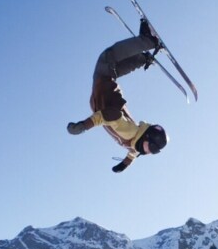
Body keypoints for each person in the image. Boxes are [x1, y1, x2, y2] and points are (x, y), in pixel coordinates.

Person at [67, 20, 169, 173]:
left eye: (153, 151)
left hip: (104, 94)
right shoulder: (131, 133)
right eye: (152, 149)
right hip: (104, 92)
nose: (149, 153)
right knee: (108, 58)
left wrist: (124, 164)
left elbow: (132, 152)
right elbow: (110, 115)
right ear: (148, 138)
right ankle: (148, 41)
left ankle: (144, 55)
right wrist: (83, 126)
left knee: (112, 65)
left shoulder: (134, 142)